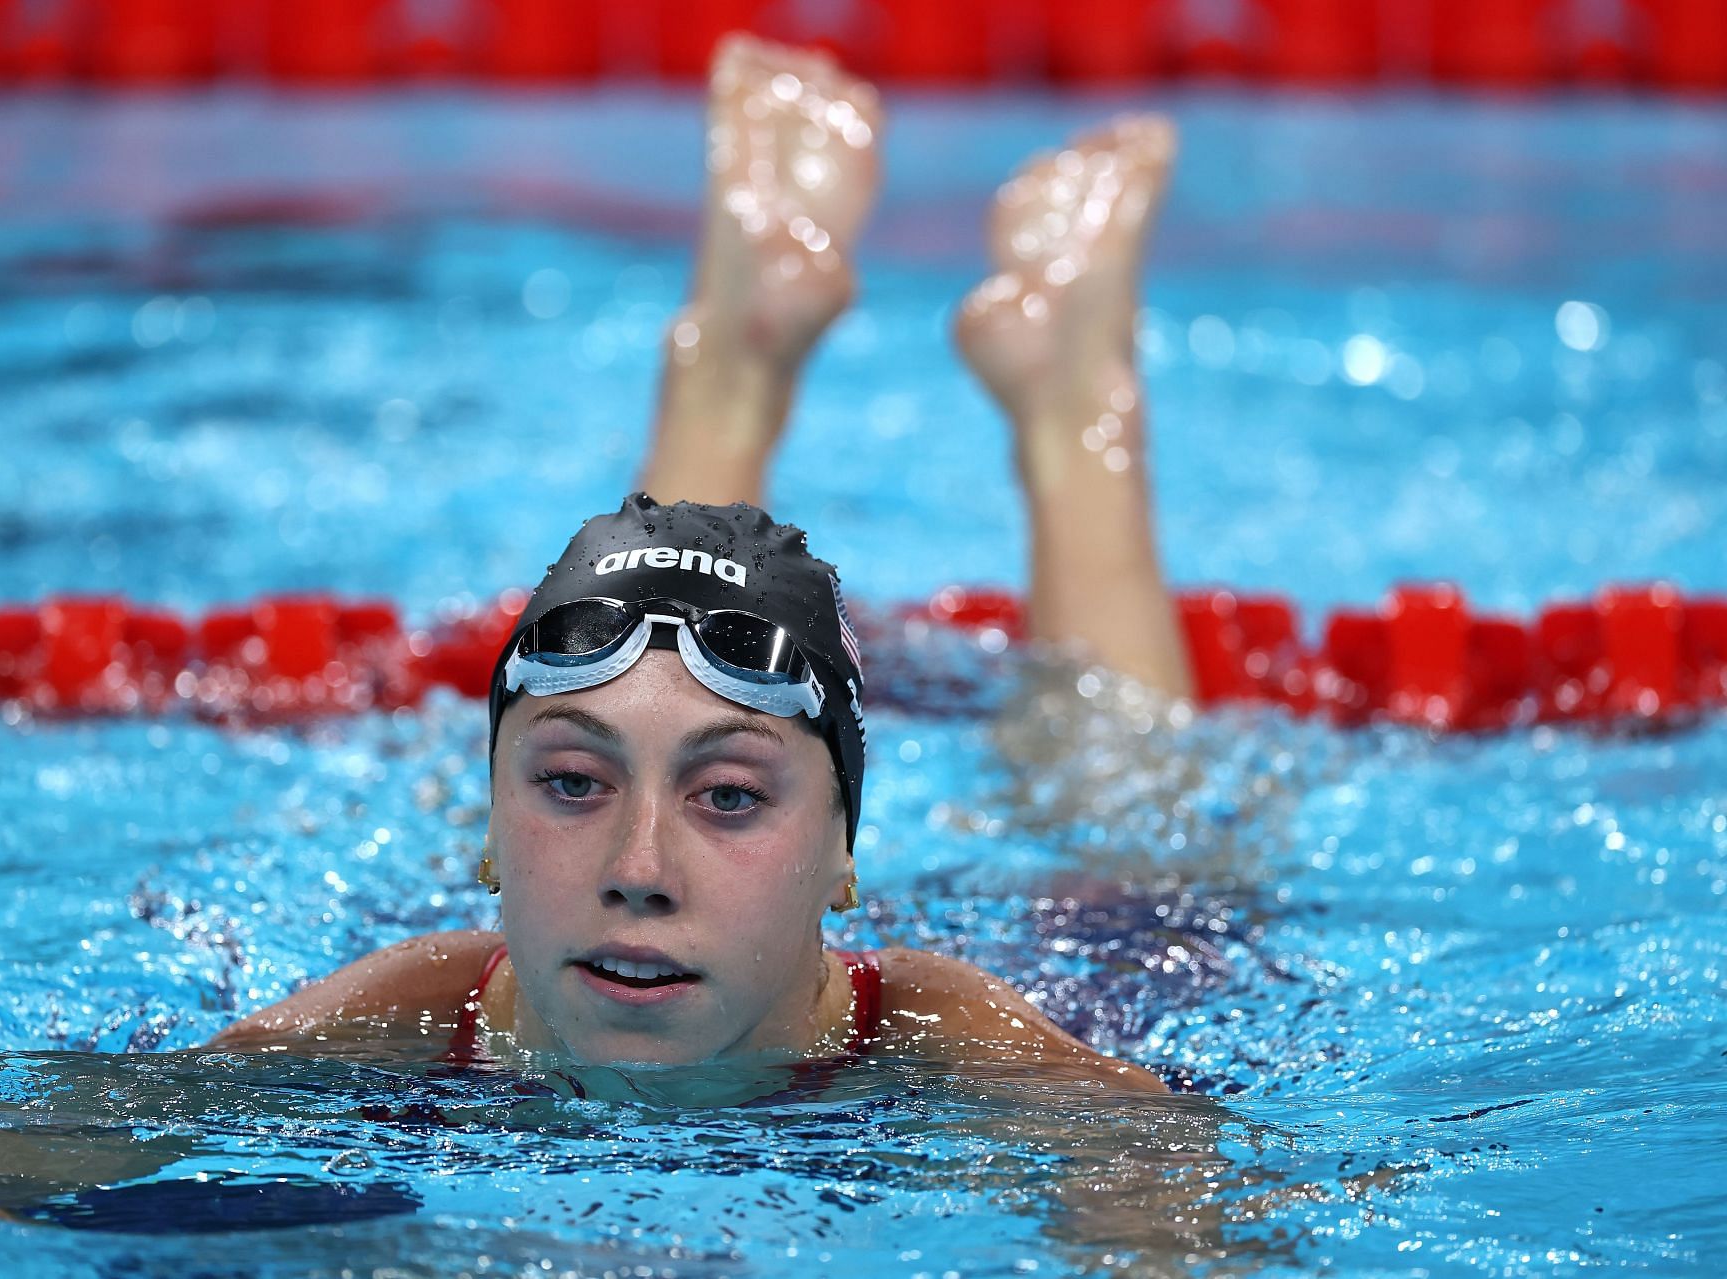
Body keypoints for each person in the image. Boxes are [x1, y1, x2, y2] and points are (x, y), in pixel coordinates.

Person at [208, 34, 1194, 1099]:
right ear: (488, 828)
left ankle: (1078, 409)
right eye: (571, 783)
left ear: (845, 856)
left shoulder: (947, 1042)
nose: (638, 874)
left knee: (1140, 878)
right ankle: (734, 349)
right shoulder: (398, 1017)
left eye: (728, 796)